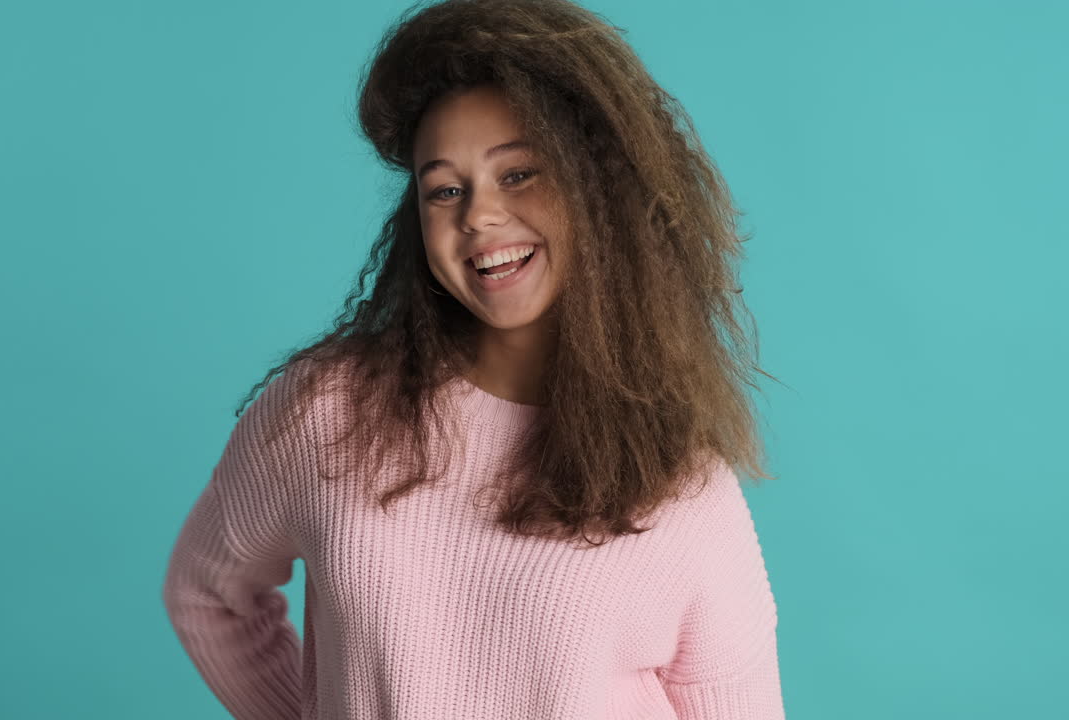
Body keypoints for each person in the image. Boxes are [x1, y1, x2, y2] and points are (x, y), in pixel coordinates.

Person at [162, 0, 786, 717]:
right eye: (446, 190)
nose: (478, 215)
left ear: (597, 189)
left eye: (518, 174)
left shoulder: (684, 490)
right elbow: (207, 593)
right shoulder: (326, 413)